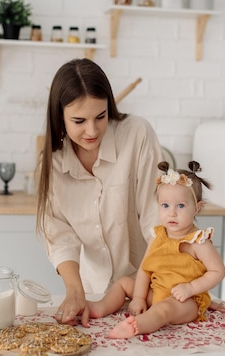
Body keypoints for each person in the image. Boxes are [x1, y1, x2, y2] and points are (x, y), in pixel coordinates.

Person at [36, 58, 163, 327]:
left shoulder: (137, 134)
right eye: (79, 121)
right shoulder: (53, 163)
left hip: (150, 289)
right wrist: (75, 291)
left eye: (100, 117)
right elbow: (59, 236)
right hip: (94, 294)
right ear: (60, 116)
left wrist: (140, 291)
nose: (92, 131)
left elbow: (157, 221)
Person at [88, 161, 225, 339]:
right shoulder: (158, 236)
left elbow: (217, 271)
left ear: (197, 208)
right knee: (123, 282)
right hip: (157, 292)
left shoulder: (198, 241)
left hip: (184, 301)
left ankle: (137, 325)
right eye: (165, 205)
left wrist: (191, 288)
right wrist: (138, 297)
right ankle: (100, 307)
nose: (172, 213)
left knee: (164, 309)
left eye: (181, 206)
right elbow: (146, 268)